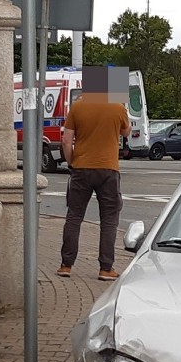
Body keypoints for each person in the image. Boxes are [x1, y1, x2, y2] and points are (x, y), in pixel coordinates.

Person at [57, 87, 131, 281]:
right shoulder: (117, 107)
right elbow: (126, 132)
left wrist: (72, 162)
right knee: (109, 220)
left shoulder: (78, 107)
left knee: (74, 217)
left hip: (81, 168)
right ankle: (106, 268)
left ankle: (66, 265)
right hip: (109, 169)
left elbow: (66, 141)